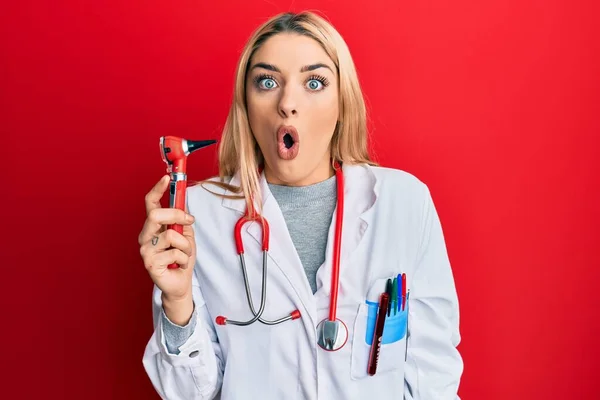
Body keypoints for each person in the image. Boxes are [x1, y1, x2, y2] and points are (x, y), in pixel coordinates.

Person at [138, 10, 463, 400]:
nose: (288, 103)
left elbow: (434, 378)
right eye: (268, 81)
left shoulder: (403, 202)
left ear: (342, 102)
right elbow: (192, 394)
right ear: (247, 105)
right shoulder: (196, 216)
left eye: (314, 82)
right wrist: (177, 302)